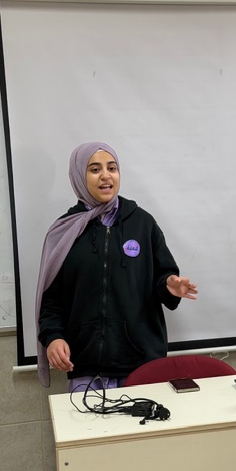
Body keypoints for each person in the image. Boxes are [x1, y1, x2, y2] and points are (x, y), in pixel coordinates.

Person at [36, 142, 197, 390]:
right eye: (95, 169)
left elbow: (163, 276)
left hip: (142, 364)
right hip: (86, 367)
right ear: (79, 176)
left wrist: (169, 286)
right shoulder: (65, 231)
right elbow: (51, 300)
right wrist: (53, 337)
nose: (106, 176)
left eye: (112, 168)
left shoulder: (142, 223)